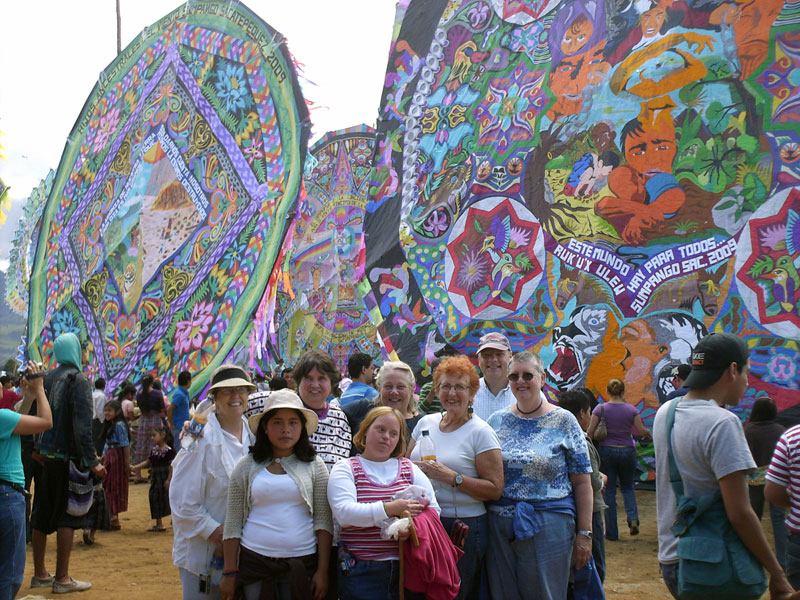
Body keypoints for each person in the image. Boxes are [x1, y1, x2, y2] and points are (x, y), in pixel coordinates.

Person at [653, 332, 792, 598]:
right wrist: (777, 572)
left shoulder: (665, 413)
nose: (747, 382)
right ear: (732, 370)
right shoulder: (722, 422)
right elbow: (739, 513)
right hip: (712, 564)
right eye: (746, 373)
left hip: (672, 558)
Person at [486, 351, 593, 600]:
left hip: (549, 527)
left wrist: (585, 534)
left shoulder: (564, 420)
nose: (520, 381)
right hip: (500, 528)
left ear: (542, 378)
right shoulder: (496, 421)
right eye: (514, 376)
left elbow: (582, 483)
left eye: (527, 375)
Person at [407, 355, 503, 599]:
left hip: (462, 528)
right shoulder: (425, 423)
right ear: (437, 390)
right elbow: (405, 468)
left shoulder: (481, 432)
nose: (452, 393)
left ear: (472, 393)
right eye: (445, 386)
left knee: (453, 595)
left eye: (459, 387)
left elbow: (495, 489)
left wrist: (453, 478)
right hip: (424, 523)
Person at [221, 390, 333, 600]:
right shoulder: (246, 466)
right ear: (265, 426)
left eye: (293, 422)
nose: (285, 429)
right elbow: (233, 522)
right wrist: (229, 572)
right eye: (277, 422)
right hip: (255, 565)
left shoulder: (315, 465)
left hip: (302, 565)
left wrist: (323, 571)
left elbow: (324, 522)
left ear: (302, 427)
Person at [328, 406, 440, 600]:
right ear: (365, 431)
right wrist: (390, 509)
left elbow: (433, 510)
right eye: (380, 429)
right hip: (362, 571)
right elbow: (344, 514)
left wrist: (411, 528)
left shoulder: (409, 468)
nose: (386, 437)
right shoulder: (346, 468)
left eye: (393, 433)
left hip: (408, 569)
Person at [170, 364, 257, 600]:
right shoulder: (198, 439)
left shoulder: (254, 436)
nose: (235, 396)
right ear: (215, 398)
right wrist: (222, 536)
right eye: (227, 391)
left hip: (244, 555)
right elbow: (182, 502)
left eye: (241, 390)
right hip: (203, 554)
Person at [31, 332, 107, 594]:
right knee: (67, 516)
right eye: (83, 349)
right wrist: (93, 461)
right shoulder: (78, 380)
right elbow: (82, 428)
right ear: (76, 351)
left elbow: (34, 415)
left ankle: (40, 574)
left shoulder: (46, 378)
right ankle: (62, 579)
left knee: (41, 513)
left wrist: (36, 449)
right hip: (67, 459)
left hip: (44, 459)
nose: (85, 355)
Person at [294, 350, 353, 600]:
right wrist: (197, 423)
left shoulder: (340, 418)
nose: (315, 385)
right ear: (298, 381)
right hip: (293, 532)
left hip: (331, 532)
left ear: (332, 382)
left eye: (321, 378)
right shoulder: (285, 413)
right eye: (308, 378)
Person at [0, 362, 52, 600]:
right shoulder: (2, 417)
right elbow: (46, 422)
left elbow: (16, 420)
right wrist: (39, 388)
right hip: (7, 495)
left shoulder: (5, 418)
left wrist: (28, 395)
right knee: (9, 573)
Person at [587, 379, 651, 540]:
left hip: (607, 451)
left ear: (607, 392)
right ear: (623, 392)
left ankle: (612, 533)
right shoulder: (631, 410)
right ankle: (633, 518)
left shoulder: (600, 409)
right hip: (627, 451)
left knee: (609, 491)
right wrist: (648, 434)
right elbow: (641, 430)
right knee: (628, 487)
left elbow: (590, 432)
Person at [559, 389, 608, 583]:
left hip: (569, 509)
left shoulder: (559, 437)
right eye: (588, 412)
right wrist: (602, 480)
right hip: (590, 511)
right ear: (581, 413)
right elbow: (592, 482)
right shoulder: (581, 441)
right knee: (596, 563)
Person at [745, 398, 787, 570]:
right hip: (776, 481)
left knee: (753, 518)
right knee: (778, 519)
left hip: (754, 481)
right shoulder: (780, 430)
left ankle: (751, 559)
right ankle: (782, 561)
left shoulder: (747, 430)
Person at [343, 361, 421, 444]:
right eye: (388, 386)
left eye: (400, 387)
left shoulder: (421, 424)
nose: (394, 392)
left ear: (412, 389)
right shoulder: (362, 409)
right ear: (379, 388)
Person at [132, 424, 176, 533]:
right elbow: (148, 462)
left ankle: (174, 519)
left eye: (154, 435)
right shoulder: (154, 450)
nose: (152, 438)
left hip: (164, 477)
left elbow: (172, 466)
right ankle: (159, 523)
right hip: (156, 478)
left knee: (169, 499)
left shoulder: (169, 451)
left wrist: (169, 480)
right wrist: (135, 467)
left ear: (163, 435)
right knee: (155, 498)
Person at [100, 399, 130, 531]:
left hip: (117, 457)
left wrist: (127, 463)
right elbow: (107, 444)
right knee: (108, 484)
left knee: (114, 485)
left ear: (117, 412)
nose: (107, 413)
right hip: (110, 456)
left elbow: (125, 444)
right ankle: (111, 516)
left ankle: (114, 516)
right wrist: (103, 456)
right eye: (105, 410)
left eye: (109, 410)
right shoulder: (111, 425)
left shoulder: (119, 425)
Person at [472, 332, 515, 421]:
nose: (493, 360)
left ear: (510, 356)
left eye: (499, 354)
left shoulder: (527, 392)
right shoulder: (468, 393)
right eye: (486, 355)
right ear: (478, 359)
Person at [133, 374, 165, 484]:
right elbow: (162, 409)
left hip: (143, 420)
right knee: (156, 444)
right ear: (152, 382)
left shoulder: (139, 394)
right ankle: (154, 471)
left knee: (141, 445)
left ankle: (138, 475)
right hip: (155, 419)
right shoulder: (157, 393)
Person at [169, 371, 192, 443]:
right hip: (178, 427)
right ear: (188, 381)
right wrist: (172, 424)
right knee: (179, 447)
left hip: (184, 425)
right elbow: (169, 409)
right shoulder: (179, 394)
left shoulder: (185, 392)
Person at [90, 378, 107, 457]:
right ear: (104, 386)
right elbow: (100, 411)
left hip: (91, 420)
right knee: (99, 443)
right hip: (98, 422)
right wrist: (103, 422)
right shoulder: (101, 396)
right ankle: (99, 458)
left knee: (93, 442)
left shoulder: (92, 394)